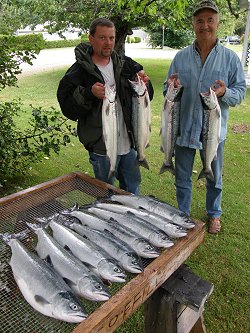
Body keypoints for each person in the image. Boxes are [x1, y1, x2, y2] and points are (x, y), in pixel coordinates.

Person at [164, 0, 246, 234]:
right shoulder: (180, 57)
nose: (205, 25)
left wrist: (224, 92)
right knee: (181, 177)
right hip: (184, 128)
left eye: (210, 20)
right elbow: (166, 88)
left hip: (214, 132)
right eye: (200, 21)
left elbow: (239, 92)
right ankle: (183, 214)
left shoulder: (230, 59)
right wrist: (171, 86)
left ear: (217, 23)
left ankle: (214, 214)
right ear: (193, 25)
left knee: (214, 177)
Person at [57, 18, 154, 195]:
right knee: (105, 194)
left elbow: (147, 98)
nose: (108, 43)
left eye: (111, 38)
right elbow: (68, 108)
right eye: (102, 38)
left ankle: (131, 221)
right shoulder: (78, 71)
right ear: (91, 38)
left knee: (132, 191)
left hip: (129, 143)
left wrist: (146, 84)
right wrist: (88, 94)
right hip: (101, 147)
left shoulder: (126, 64)